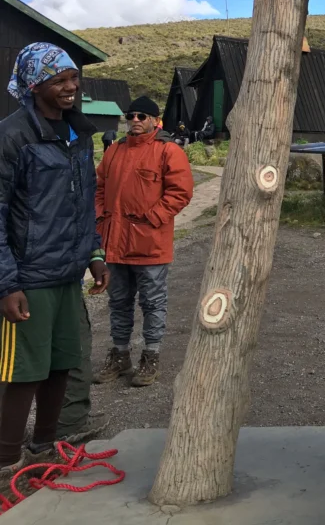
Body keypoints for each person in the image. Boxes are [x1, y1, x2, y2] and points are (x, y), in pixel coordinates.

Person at [0, 43, 109, 477]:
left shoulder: (77, 133)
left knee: (62, 361)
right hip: (28, 274)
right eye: (59, 80)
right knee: (25, 370)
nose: (71, 87)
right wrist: (7, 284)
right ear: (34, 84)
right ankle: (7, 460)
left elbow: (83, 205)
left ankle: (45, 445)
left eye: (72, 78)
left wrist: (94, 253)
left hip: (66, 272)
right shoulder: (12, 137)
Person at [91, 97, 193, 388]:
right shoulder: (114, 152)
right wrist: (101, 218)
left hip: (150, 245)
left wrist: (152, 218)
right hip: (116, 244)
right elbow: (98, 188)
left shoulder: (168, 151)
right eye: (130, 115)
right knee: (119, 302)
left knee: (153, 302)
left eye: (142, 115)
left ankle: (151, 356)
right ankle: (120, 355)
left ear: (154, 120)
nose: (135, 120)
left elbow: (181, 192)